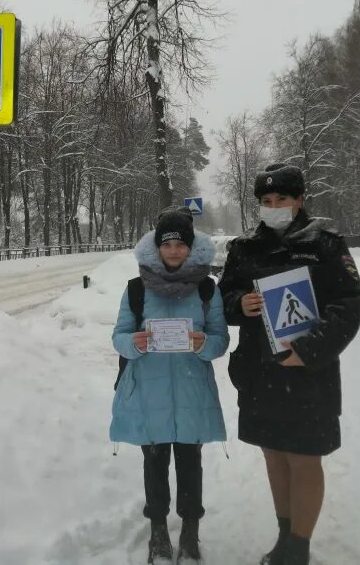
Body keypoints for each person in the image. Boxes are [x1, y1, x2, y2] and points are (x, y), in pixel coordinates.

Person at [218, 164, 360, 565]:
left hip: (307, 374)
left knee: (303, 458)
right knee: (273, 454)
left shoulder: (326, 243)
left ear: (299, 200)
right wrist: (239, 305)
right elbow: (224, 297)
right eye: (266, 201)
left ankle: (299, 548)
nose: (274, 207)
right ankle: (284, 538)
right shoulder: (244, 248)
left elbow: (349, 303)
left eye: (281, 199)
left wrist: (312, 349)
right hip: (259, 372)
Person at [111, 206, 230, 564]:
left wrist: (203, 344)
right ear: (157, 247)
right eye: (168, 244)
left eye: (181, 243)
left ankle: (190, 534)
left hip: (192, 389)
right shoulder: (136, 289)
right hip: (150, 390)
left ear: (191, 247)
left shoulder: (207, 290)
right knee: (154, 463)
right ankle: (158, 533)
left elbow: (220, 338)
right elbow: (118, 336)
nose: (175, 250)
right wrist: (134, 343)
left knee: (190, 463)